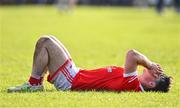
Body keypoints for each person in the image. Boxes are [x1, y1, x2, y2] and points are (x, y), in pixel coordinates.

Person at [8, 35, 172, 93]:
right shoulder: (134, 80)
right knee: (49, 39)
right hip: (75, 75)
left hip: (72, 81)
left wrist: (149, 63)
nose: (154, 69)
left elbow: (132, 54)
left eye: (156, 73)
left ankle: (34, 84)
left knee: (45, 41)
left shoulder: (133, 85)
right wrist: (149, 66)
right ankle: (36, 83)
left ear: (151, 83)